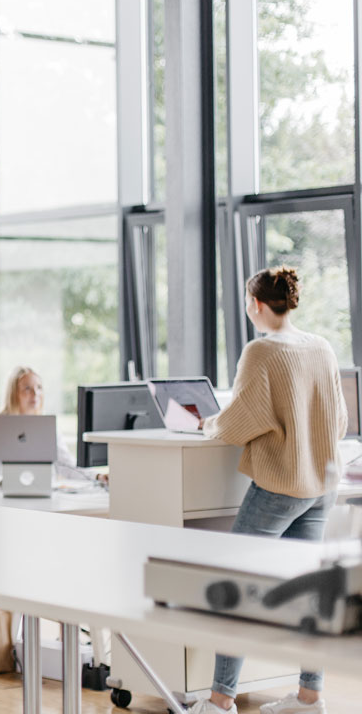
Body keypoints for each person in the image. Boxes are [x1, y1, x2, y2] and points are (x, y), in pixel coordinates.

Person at [189, 267, 347, 714]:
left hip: (280, 485)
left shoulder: (260, 351)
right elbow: (337, 419)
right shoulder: (321, 346)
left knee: (236, 586)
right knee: (311, 593)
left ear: (256, 304)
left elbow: (237, 423)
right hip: (321, 487)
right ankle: (310, 695)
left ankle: (220, 700)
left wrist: (207, 423)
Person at [0, 366, 99, 488]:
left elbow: (66, 465)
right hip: (4, 495)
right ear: (13, 393)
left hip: (44, 494)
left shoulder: (47, 425)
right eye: (27, 388)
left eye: (39, 387)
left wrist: (96, 476)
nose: (35, 393)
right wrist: (3, 483)